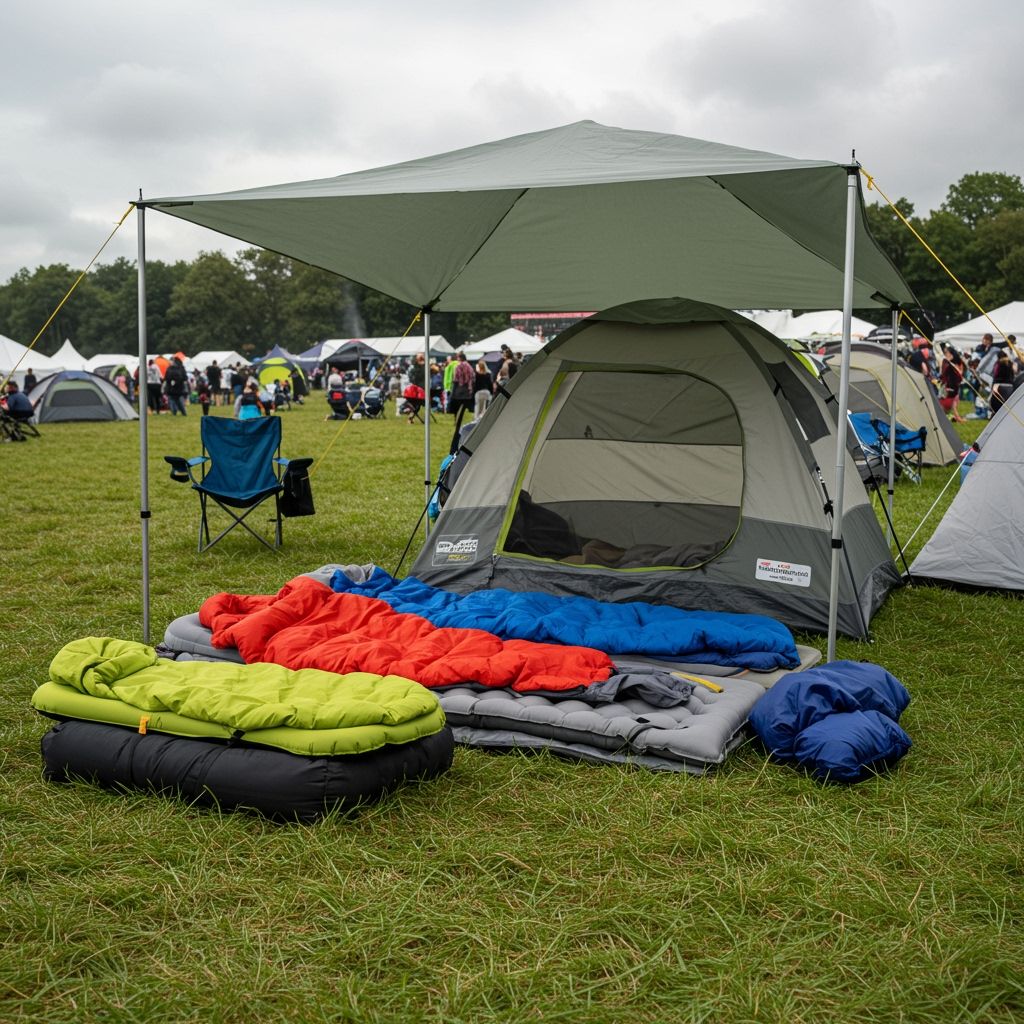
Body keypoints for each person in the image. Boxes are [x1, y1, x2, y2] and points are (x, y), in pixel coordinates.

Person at [938, 345, 966, 423]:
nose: (945, 354)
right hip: (947, 385)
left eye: (947, 352)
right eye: (945, 352)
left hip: (954, 385)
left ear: (951, 353)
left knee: (953, 403)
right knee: (945, 405)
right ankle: (955, 417)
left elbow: (960, 373)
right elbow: (943, 373)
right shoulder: (945, 362)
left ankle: (955, 417)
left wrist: (952, 365)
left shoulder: (958, 362)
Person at [449, 351, 475, 415]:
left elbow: (456, 379)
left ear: (460, 358)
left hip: (459, 389)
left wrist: (453, 392)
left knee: (457, 407)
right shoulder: (470, 367)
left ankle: (457, 418)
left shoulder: (458, 366)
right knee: (464, 408)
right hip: (467, 390)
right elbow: (473, 378)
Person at [990, 349, 1014, 414]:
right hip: (1010, 386)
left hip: (999, 385)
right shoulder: (1010, 363)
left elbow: (995, 374)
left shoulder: (998, 363)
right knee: (1008, 404)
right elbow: (1013, 374)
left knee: (997, 404)